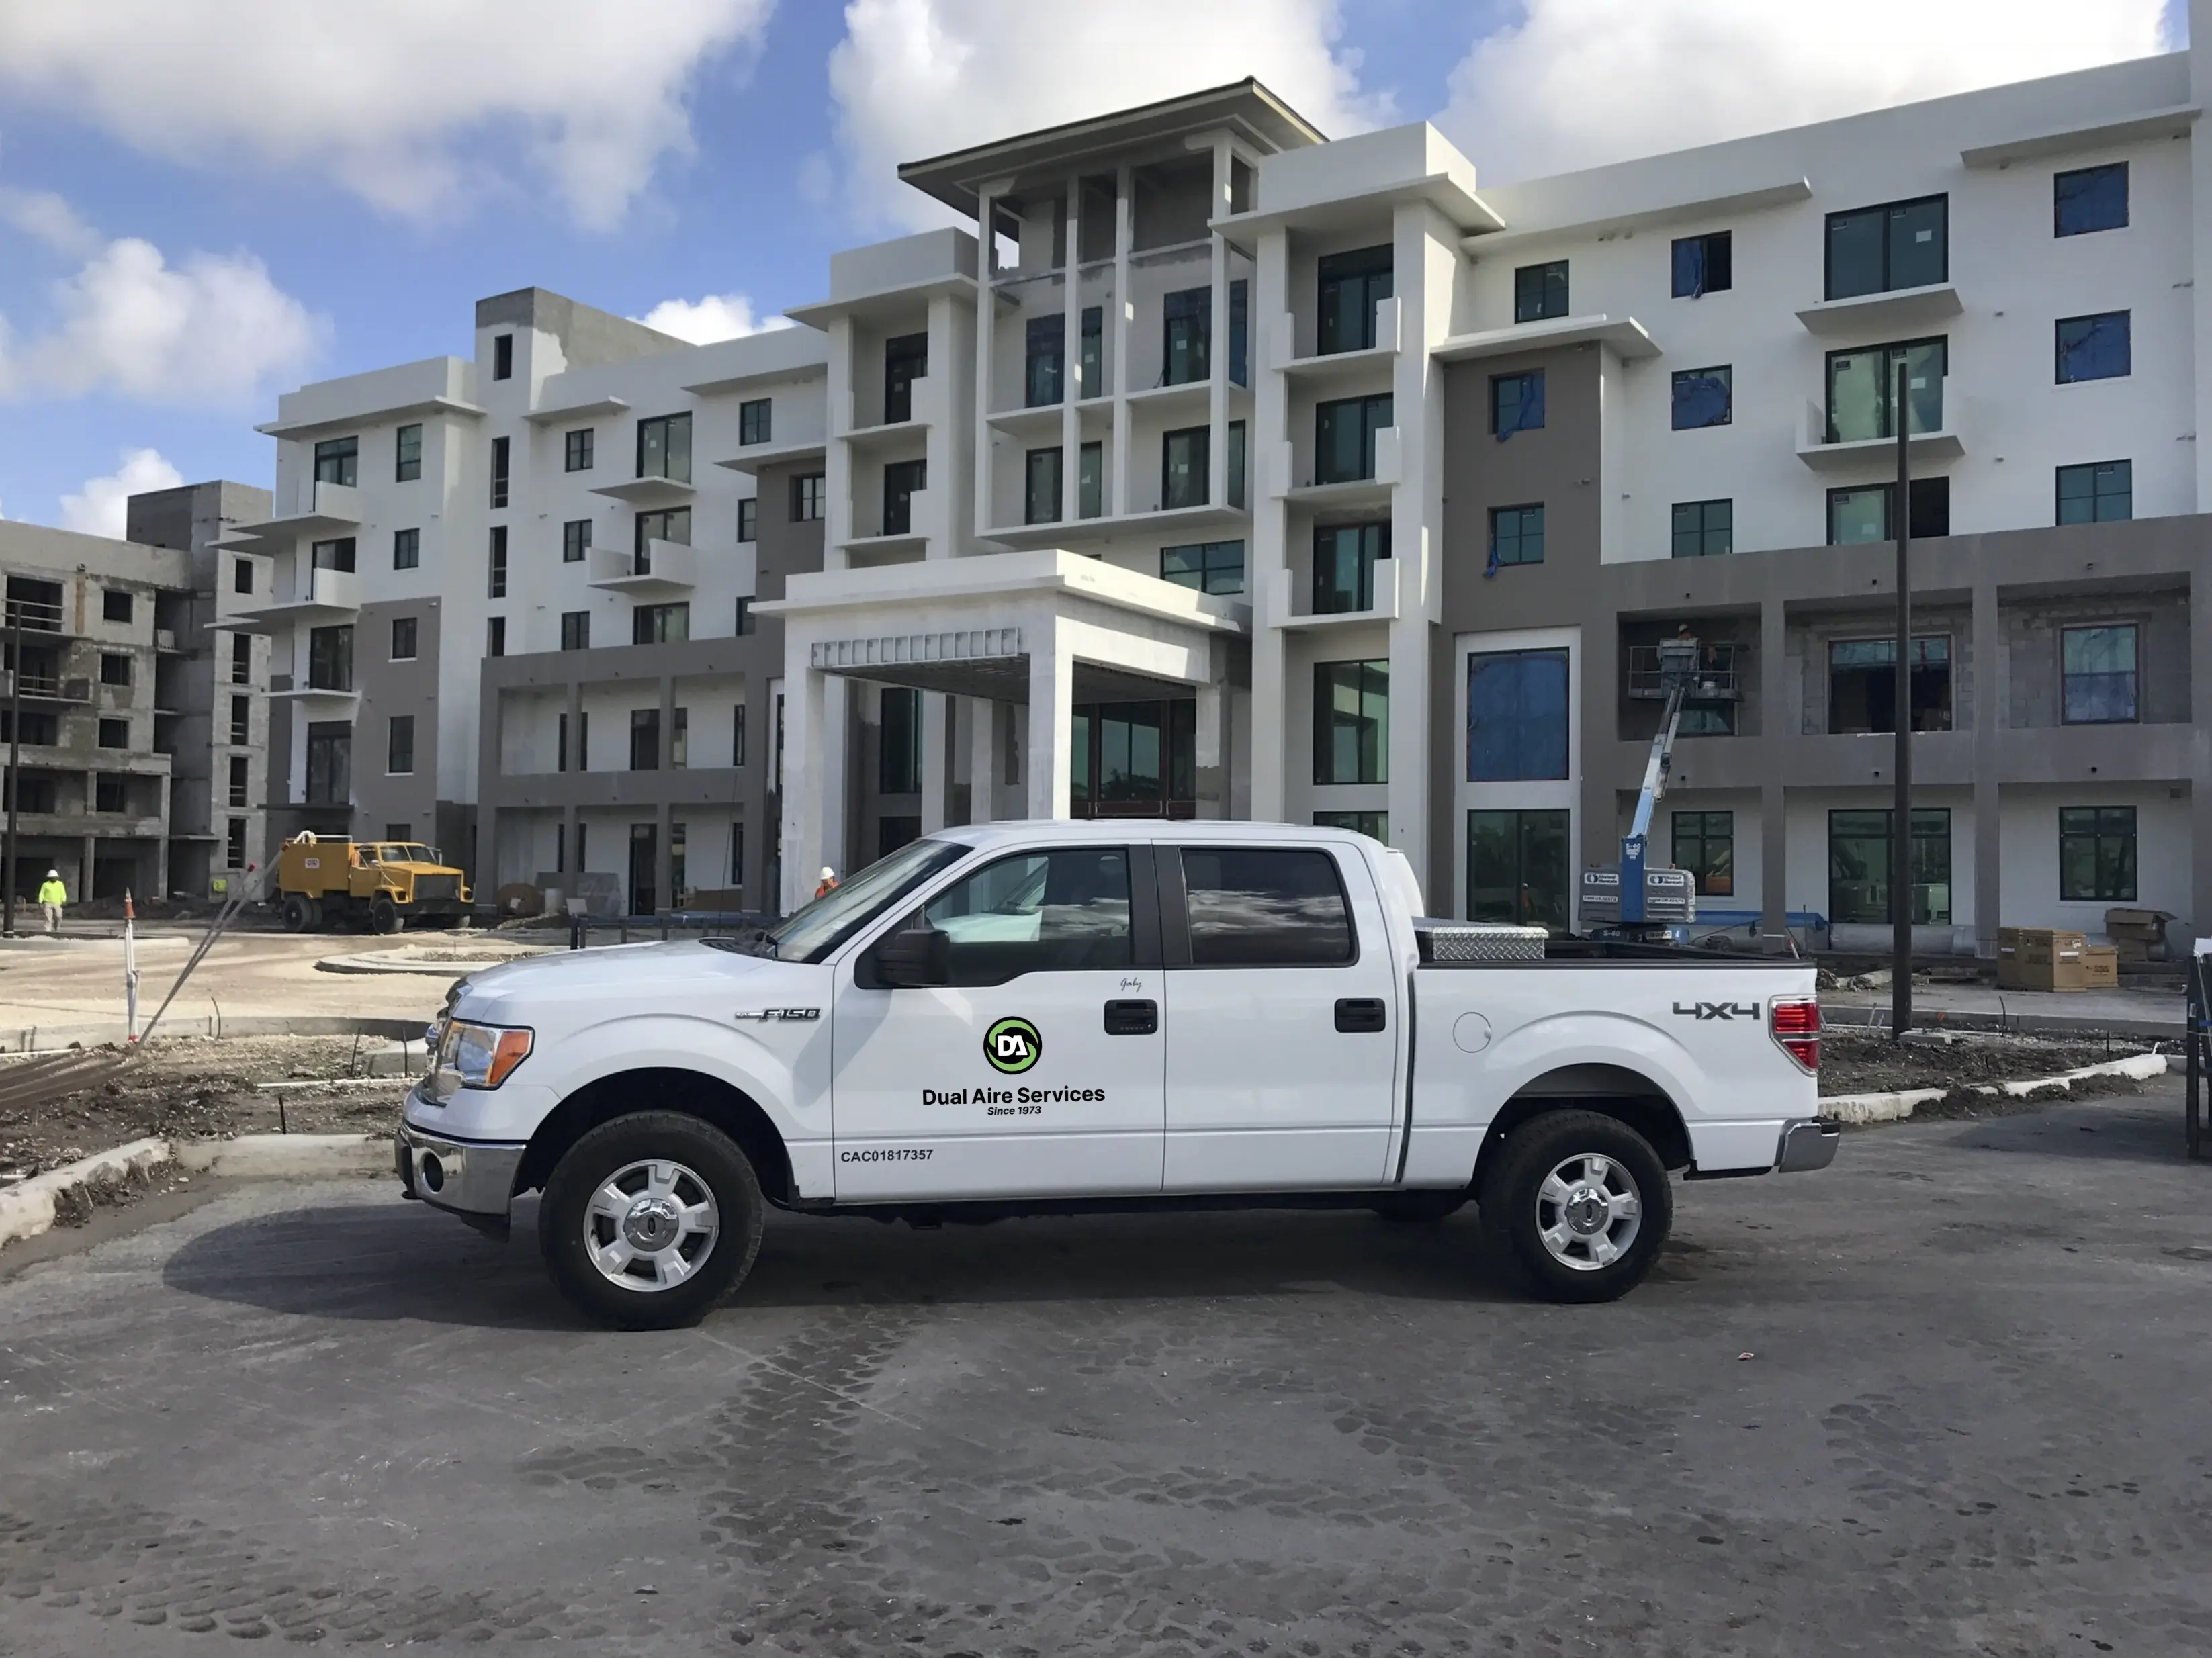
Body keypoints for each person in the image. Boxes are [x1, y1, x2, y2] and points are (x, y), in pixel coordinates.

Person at [36, 869, 66, 937]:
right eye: (52, 877)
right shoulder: (45, 885)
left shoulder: (60, 884)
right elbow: (42, 893)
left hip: (58, 902)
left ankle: (57, 928)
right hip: (48, 903)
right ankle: (48, 930)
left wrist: (64, 900)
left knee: (58, 916)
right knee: (48, 917)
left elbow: (63, 893)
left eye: (55, 877)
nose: (54, 878)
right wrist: (40, 901)